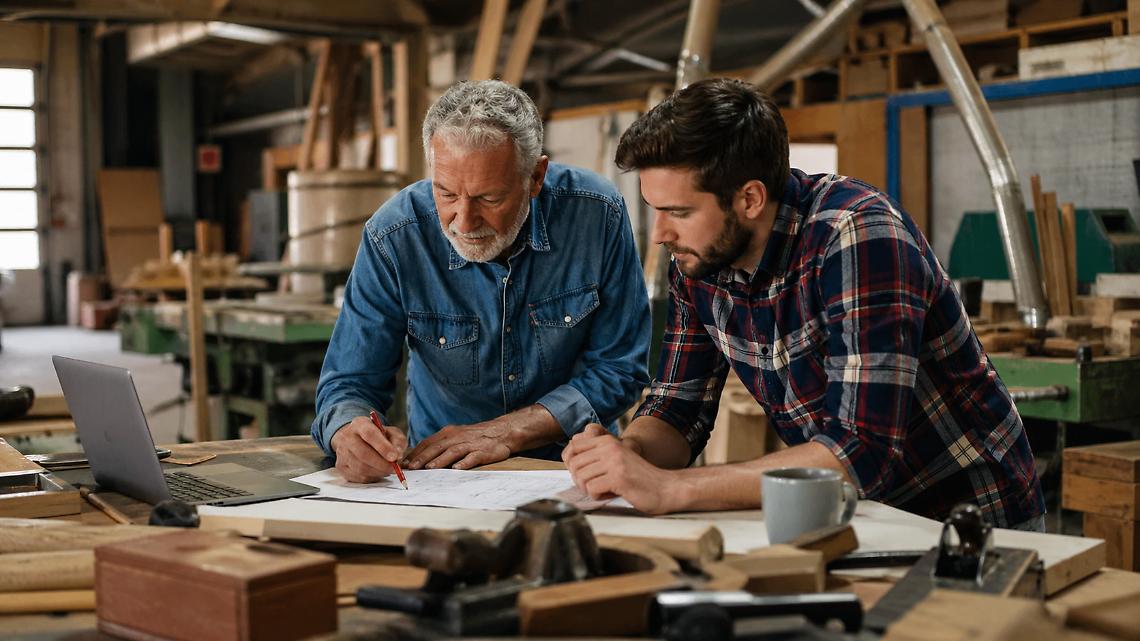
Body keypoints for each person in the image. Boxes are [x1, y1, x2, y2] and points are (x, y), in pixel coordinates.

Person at [563, 77, 1045, 531]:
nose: (661, 235)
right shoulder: (700, 259)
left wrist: (670, 489)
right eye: (656, 211)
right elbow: (678, 408)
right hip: (857, 511)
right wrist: (626, 456)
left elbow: (861, 452)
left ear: (749, 198)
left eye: (679, 212)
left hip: (969, 514)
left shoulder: (854, 234)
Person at [314, 80, 650, 483]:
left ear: (536, 176)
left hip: (572, 471)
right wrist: (348, 431)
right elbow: (350, 381)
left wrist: (509, 431)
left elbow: (620, 368)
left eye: (489, 199)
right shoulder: (395, 236)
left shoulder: (596, 216)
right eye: (446, 193)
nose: (464, 221)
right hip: (442, 478)